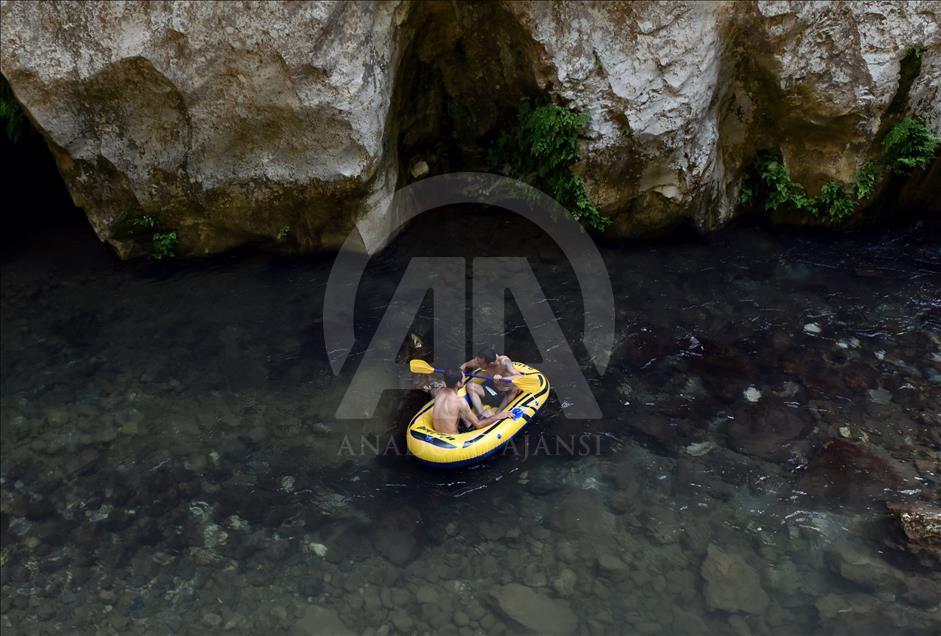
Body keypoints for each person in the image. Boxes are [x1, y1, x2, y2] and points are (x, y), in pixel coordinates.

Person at [424, 368, 510, 435]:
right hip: (455, 439)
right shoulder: (459, 402)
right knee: (489, 412)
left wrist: (430, 388)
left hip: (439, 434)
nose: (464, 380)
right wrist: (499, 416)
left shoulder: (438, 392)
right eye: (463, 379)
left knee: (460, 412)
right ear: (458, 383)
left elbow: (433, 388)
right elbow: (478, 425)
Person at [460, 345, 520, 416]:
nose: (477, 364)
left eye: (480, 364)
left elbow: (519, 376)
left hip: (505, 396)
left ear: (491, 363)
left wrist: (503, 379)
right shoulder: (482, 360)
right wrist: (461, 370)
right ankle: (481, 414)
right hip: (493, 392)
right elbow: (466, 365)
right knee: (470, 386)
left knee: (515, 387)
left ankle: (498, 414)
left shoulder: (504, 362)